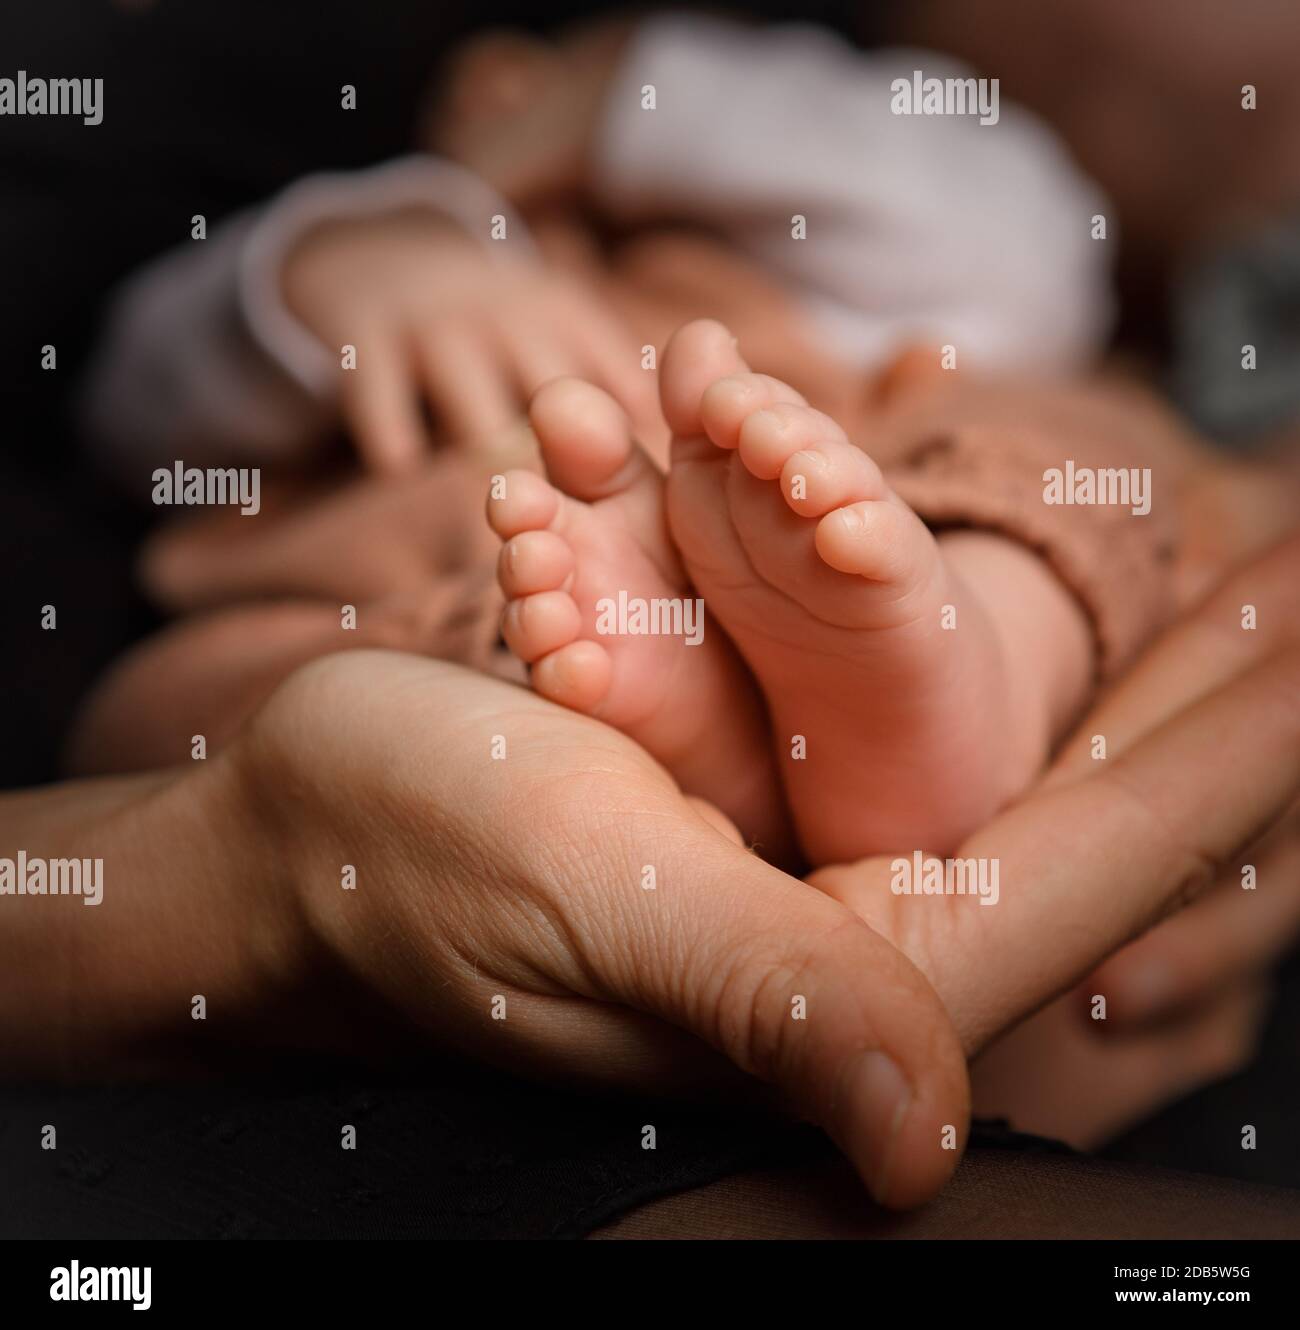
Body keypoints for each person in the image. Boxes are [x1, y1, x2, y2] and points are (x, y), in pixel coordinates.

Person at [5, 536, 1299, 1207]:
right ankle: (824, 728)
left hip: (837, 517)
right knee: (202, 683)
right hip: (391, 600)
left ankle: (897, 707)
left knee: (1010, 558)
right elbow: (175, 362)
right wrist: (345, 265)